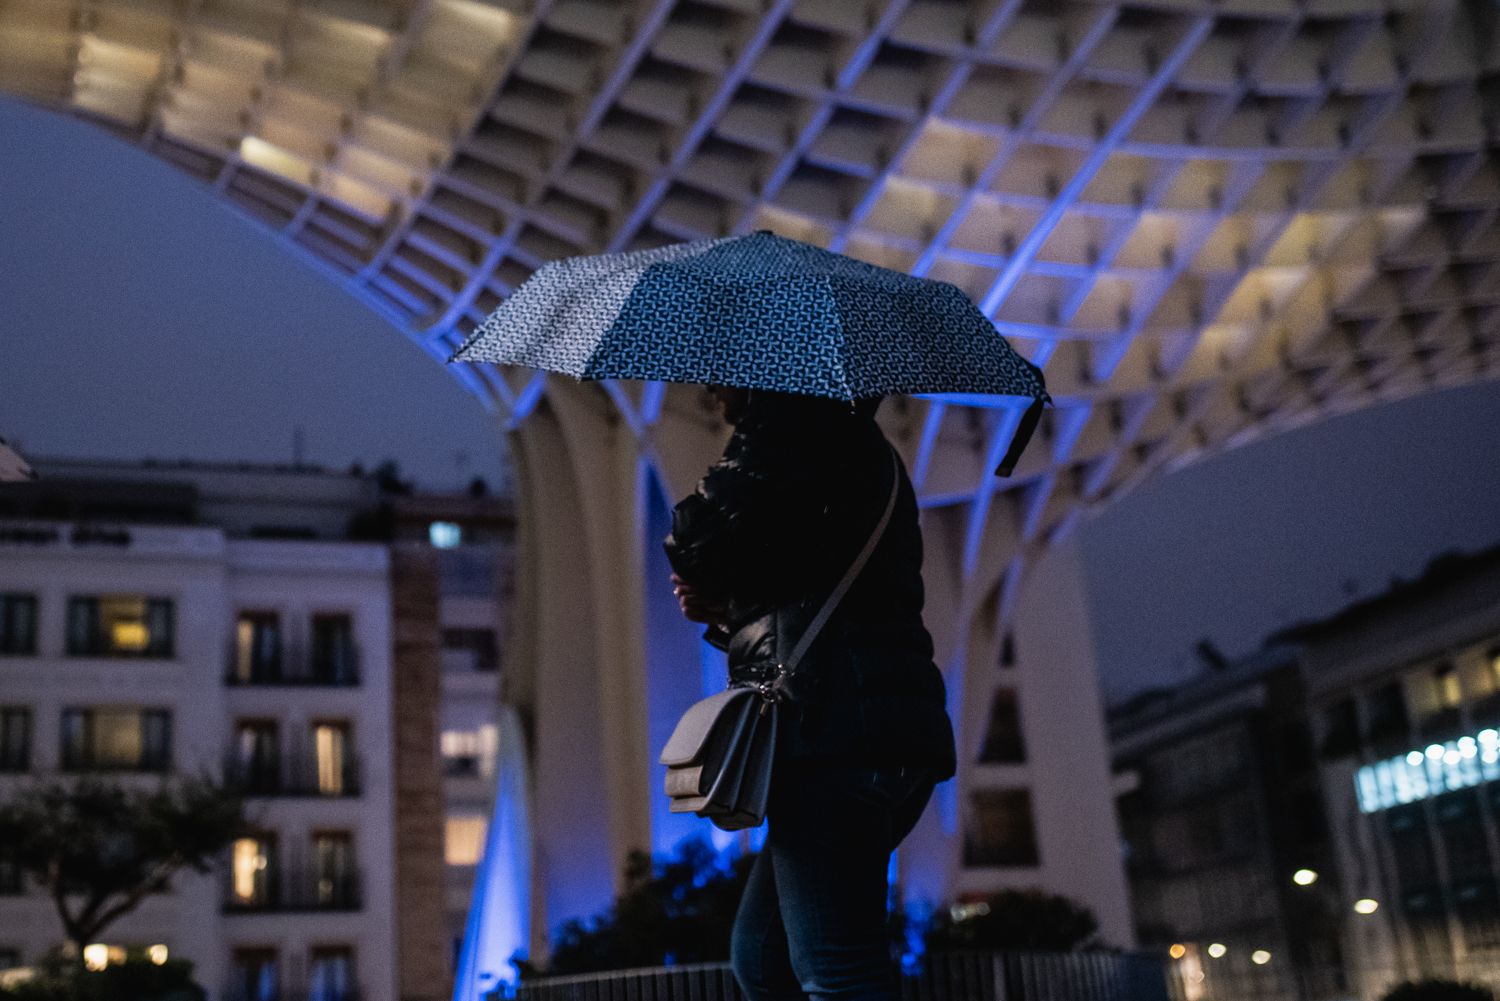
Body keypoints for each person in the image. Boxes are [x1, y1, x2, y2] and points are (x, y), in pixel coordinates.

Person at [663, 384, 957, 1001]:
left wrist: (737, 459)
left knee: (837, 972)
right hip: (889, 729)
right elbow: (813, 587)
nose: (708, 388)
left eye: (722, 369)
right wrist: (725, 611)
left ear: (763, 365)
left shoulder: (788, 431)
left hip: (833, 734)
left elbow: (697, 539)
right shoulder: (863, 452)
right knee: (763, 959)